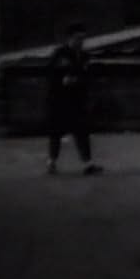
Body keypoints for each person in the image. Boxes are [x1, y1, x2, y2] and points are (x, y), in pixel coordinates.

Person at [46, 21, 103, 175]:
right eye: (78, 38)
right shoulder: (60, 53)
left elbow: (87, 75)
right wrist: (64, 80)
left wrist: (77, 80)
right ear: (69, 38)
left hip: (77, 99)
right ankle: (52, 162)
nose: (81, 42)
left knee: (82, 131)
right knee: (56, 132)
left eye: (83, 38)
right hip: (60, 99)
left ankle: (88, 164)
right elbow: (53, 74)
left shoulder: (84, 56)